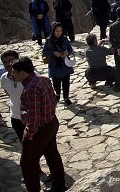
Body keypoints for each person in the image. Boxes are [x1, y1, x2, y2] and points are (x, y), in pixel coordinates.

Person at [11, 56, 67, 192]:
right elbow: (54, 100)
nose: (12, 74)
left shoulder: (30, 89)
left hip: (39, 130)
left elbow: (33, 118)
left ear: (22, 73)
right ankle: (59, 186)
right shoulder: (43, 79)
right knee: (52, 154)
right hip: (52, 122)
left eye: (14, 72)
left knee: (27, 164)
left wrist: (28, 135)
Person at [43, 22, 74, 105]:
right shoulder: (49, 40)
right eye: (57, 31)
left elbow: (70, 49)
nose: (59, 32)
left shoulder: (64, 39)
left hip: (65, 64)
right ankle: (57, 94)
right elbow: (44, 52)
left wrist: (67, 53)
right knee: (56, 82)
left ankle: (66, 97)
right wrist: (53, 53)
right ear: (53, 31)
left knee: (66, 82)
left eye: (60, 30)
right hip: (54, 65)